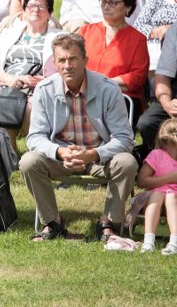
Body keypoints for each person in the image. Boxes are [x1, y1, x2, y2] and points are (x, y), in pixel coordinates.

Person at [23, 33, 137, 242]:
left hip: (99, 156)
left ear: (85, 60)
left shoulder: (108, 88)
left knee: (127, 162)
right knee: (29, 161)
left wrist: (93, 154)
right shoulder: (44, 89)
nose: (68, 65)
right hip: (61, 157)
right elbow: (35, 137)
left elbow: (124, 138)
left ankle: (108, 223)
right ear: (55, 64)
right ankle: (52, 222)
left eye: (73, 58)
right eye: (62, 60)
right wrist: (59, 152)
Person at [0, 0, 61, 144]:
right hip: (7, 86)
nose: (36, 10)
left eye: (41, 6)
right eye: (31, 5)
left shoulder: (59, 38)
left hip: (38, 89)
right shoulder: (9, 34)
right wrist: (10, 79)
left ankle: (35, 151)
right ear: (24, 10)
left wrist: (43, 82)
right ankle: (9, 155)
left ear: (49, 13)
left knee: (33, 104)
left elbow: (64, 72)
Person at [78, 0, 148, 124]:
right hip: (84, 92)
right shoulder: (85, 31)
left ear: (127, 7)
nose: (106, 6)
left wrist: (103, 83)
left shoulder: (137, 39)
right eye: (103, 1)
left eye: (112, 3)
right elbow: (74, 62)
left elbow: (137, 77)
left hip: (120, 97)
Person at [137, 118, 177, 255]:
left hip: (174, 201)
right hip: (154, 201)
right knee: (158, 194)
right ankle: (148, 241)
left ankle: (174, 242)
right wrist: (170, 178)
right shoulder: (157, 155)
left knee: (171, 197)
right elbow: (141, 181)